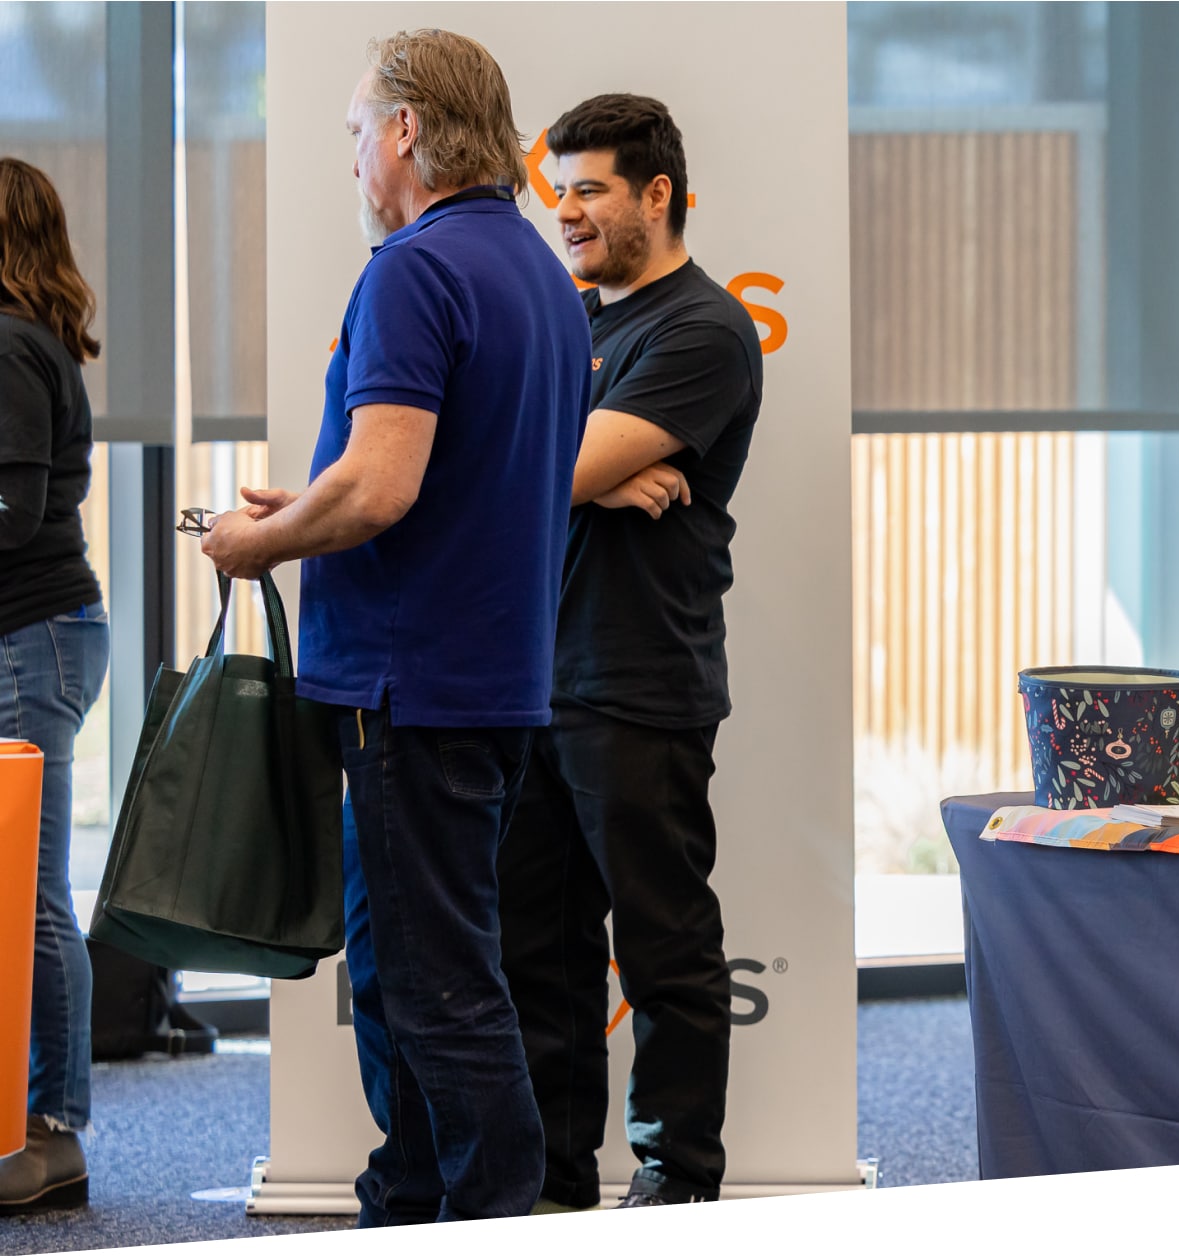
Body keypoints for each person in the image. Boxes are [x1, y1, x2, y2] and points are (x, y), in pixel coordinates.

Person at [201, 29, 586, 1224]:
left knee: (435, 989)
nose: (355, 158)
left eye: (359, 129)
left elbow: (381, 487)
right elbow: (441, 473)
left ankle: (490, 1218)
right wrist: (303, 500)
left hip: (413, 688)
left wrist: (255, 541)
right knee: (403, 975)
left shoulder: (414, 270)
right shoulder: (534, 272)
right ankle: (408, 1197)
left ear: (408, 130)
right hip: (485, 681)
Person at [499, 93, 760, 1212]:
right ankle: (557, 1187)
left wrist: (576, 455)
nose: (566, 210)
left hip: (639, 684)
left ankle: (676, 1185)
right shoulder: (571, 322)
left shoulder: (700, 328)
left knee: (664, 952)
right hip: (533, 682)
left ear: (658, 192)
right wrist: (593, 455)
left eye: (591, 187)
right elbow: (500, 451)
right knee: (538, 956)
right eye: (558, 188)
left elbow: (531, 472)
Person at [0, 156, 108, 1216]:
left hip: (33, 636)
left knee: (32, 898)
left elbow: (14, 512)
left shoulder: (5, 343)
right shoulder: (28, 340)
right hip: (37, 631)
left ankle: (54, 1129)